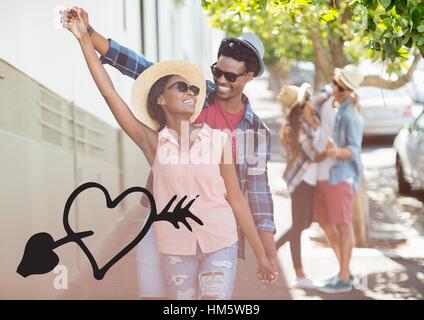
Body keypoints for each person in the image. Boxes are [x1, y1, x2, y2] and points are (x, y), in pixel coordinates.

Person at [60, 7, 279, 297]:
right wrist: (86, 36)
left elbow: (255, 197)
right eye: (217, 72)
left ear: (248, 77)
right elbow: (134, 71)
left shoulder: (249, 133)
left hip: (217, 233)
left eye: (231, 76)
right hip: (168, 227)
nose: (221, 81)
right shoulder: (185, 107)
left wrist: (266, 253)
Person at [313, 65, 364, 294]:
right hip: (324, 175)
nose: (332, 87)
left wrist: (337, 151)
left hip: (340, 177)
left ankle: (344, 277)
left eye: (337, 86)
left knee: (343, 226)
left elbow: (354, 149)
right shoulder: (334, 104)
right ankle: (344, 271)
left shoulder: (351, 114)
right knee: (326, 223)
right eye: (334, 83)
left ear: (345, 91)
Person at [277, 83, 320, 289]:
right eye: (308, 98)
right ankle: (299, 274)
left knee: (304, 223)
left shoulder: (306, 120)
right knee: (298, 226)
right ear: (302, 104)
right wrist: (333, 150)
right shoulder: (299, 126)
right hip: (300, 182)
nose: (311, 100)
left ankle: (273, 249)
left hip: (307, 180)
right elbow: (314, 154)